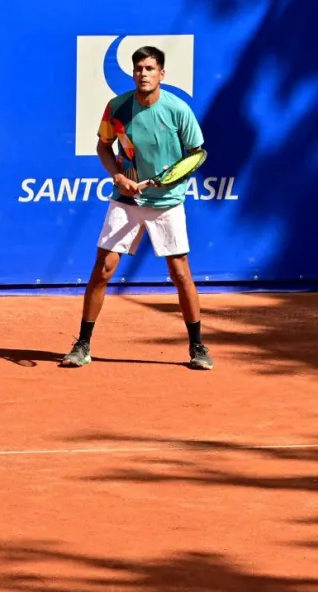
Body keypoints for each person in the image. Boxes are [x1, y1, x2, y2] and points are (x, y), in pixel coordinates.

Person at [61, 45, 213, 371]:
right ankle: (83, 344)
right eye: (138, 69)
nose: (143, 74)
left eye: (150, 69)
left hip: (167, 202)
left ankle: (197, 346)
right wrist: (117, 175)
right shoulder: (116, 107)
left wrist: (170, 180)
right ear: (133, 74)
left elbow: (197, 153)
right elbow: (104, 145)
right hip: (126, 199)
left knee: (180, 273)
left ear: (162, 74)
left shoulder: (177, 110)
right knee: (103, 270)